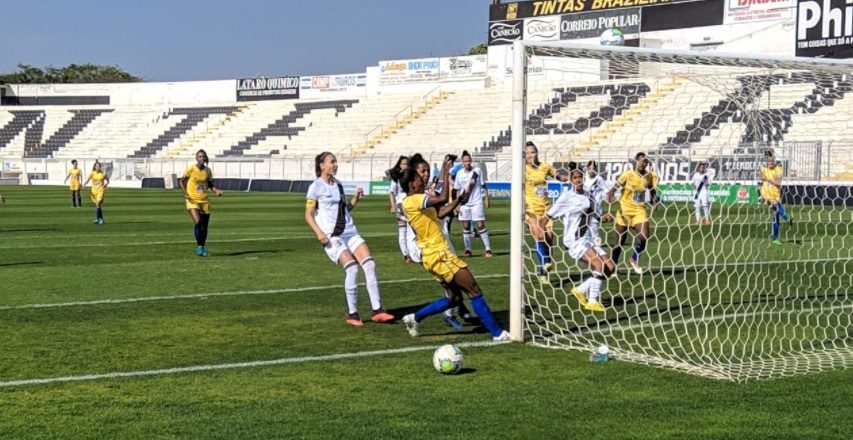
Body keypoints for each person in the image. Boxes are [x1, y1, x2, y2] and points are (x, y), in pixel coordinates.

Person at [400, 154, 510, 341]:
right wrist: (445, 169)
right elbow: (443, 198)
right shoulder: (412, 200)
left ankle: (414, 318)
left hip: (433, 254)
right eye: (419, 177)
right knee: (473, 289)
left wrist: (459, 200)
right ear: (412, 184)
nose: (423, 179)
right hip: (438, 254)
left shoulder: (418, 199)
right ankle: (497, 333)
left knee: (455, 298)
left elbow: (441, 213)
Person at [305, 151, 394, 326]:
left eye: (335, 162)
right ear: (322, 165)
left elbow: (343, 210)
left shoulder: (338, 185)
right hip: (332, 235)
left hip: (350, 231)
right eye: (332, 162)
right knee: (352, 268)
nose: (335, 165)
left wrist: (355, 200)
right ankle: (352, 314)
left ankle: (377, 310)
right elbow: (308, 215)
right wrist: (319, 233)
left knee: (369, 264)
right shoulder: (315, 187)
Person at [548, 169, 616, 312]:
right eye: (575, 177)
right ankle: (592, 301)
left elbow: (595, 215)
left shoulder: (589, 195)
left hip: (586, 238)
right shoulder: (566, 196)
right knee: (598, 265)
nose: (578, 180)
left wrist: (604, 218)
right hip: (574, 240)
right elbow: (550, 215)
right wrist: (542, 232)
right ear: (570, 180)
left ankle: (580, 290)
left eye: (580, 177)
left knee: (610, 268)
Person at [607, 153, 659, 275]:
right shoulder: (628, 174)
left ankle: (634, 259)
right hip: (624, 210)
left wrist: (655, 198)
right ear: (635, 162)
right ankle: (613, 267)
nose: (642, 163)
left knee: (644, 236)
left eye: (645, 162)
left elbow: (651, 189)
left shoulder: (649, 176)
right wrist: (611, 195)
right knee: (619, 242)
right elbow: (613, 189)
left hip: (639, 210)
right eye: (640, 161)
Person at [179, 149, 223, 257]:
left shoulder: (208, 171)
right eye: (199, 156)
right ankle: (199, 247)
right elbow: (181, 181)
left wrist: (216, 191)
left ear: (205, 158)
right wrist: (185, 193)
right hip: (192, 199)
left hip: (204, 200)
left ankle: (201, 247)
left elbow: (210, 184)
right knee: (198, 222)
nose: (202, 158)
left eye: (203, 156)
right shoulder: (191, 168)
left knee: (204, 227)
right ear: (196, 158)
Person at [525, 141, 557, 282]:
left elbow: (558, 175)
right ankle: (544, 266)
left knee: (549, 239)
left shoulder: (545, 167)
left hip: (546, 208)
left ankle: (544, 268)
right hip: (531, 208)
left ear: (537, 153)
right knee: (539, 236)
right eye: (527, 153)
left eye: (532, 152)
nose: (530, 155)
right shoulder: (522, 169)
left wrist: (569, 176)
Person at [453, 150, 492, 258]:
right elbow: (457, 189)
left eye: (469, 161)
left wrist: (486, 198)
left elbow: (483, 185)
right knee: (466, 226)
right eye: (465, 161)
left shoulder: (477, 171)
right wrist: (457, 204)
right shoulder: (459, 173)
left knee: (480, 225)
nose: (468, 163)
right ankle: (468, 250)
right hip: (464, 203)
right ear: (462, 162)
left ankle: (488, 249)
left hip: (477, 202)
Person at [759, 151, 792, 245]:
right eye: (768, 161)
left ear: (774, 161)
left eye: (771, 161)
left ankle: (775, 238)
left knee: (775, 216)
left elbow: (778, 183)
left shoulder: (778, 169)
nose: (770, 163)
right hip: (766, 194)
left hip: (776, 194)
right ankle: (787, 218)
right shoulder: (763, 169)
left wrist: (768, 179)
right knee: (773, 203)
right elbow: (761, 177)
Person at [388, 155, 412, 262]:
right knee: (403, 232)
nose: (405, 166)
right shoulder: (396, 178)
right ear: (400, 165)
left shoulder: (411, 177)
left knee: (411, 232)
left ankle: (412, 253)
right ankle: (406, 255)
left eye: (407, 164)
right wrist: (393, 206)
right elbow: (391, 192)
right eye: (403, 164)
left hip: (411, 206)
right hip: (401, 206)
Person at [584, 161, 609, 246]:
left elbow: (606, 191)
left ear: (596, 169)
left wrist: (607, 199)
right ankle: (589, 242)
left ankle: (597, 240)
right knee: (585, 226)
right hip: (584, 206)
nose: (591, 170)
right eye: (589, 168)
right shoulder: (584, 178)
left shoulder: (599, 179)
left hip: (595, 207)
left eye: (593, 168)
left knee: (593, 226)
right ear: (587, 169)